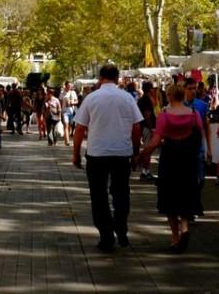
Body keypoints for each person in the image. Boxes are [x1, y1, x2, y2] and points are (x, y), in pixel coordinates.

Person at [72, 64, 143, 253]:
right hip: (122, 153)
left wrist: (76, 154)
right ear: (118, 78)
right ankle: (120, 225)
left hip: (97, 154)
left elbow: (79, 128)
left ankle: (106, 235)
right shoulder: (127, 98)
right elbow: (137, 128)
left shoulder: (91, 98)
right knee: (121, 193)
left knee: (99, 195)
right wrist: (136, 152)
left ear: (100, 77)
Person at [135, 85, 207, 253]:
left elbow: (155, 141)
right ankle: (185, 227)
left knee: (170, 197)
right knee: (186, 193)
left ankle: (175, 237)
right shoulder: (194, 114)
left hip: (170, 160)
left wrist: (142, 155)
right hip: (188, 160)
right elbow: (199, 135)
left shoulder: (164, 116)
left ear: (168, 96)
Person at [136, 83, 158, 181]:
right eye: (153, 88)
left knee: (147, 150)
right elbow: (147, 115)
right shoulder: (146, 100)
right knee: (148, 150)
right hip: (146, 128)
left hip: (143, 127)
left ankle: (145, 170)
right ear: (149, 89)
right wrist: (151, 128)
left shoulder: (142, 99)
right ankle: (145, 171)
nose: (154, 90)